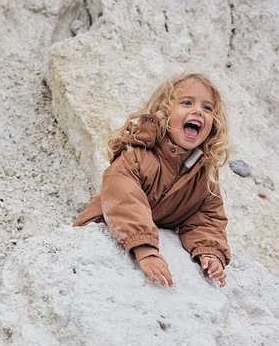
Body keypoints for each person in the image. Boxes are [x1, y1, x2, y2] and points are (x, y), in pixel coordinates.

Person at [74, 73, 231, 287]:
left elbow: (207, 218)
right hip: (101, 233)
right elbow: (124, 199)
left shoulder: (203, 176)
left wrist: (210, 253)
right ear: (165, 112)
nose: (197, 111)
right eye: (186, 103)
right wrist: (145, 249)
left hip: (143, 239)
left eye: (207, 108)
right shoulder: (137, 155)